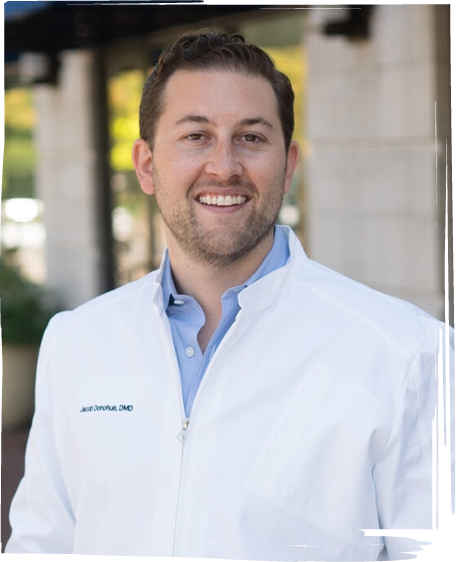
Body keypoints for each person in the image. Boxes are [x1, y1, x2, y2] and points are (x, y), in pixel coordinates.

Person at [5, 30, 456, 562]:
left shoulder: (404, 355)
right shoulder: (77, 342)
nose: (224, 166)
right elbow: (43, 548)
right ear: (147, 165)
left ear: (288, 165)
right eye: (196, 136)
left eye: (251, 137)